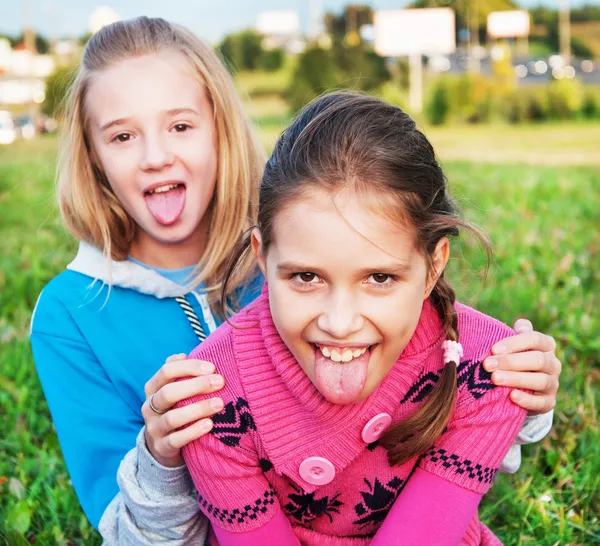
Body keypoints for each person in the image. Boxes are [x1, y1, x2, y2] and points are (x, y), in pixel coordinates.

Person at [29, 17, 560, 545]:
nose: (155, 156)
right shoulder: (69, 315)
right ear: (93, 157)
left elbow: (435, 373)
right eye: (122, 135)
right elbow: (125, 531)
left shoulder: (312, 235)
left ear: (221, 130)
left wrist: (524, 395)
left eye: (181, 126)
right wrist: (161, 454)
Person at [179, 92, 557, 545]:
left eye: (379, 277)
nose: (340, 323)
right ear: (263, 258)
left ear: (433, 264)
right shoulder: (212, 400)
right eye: (306, 276)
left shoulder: (488, 369)